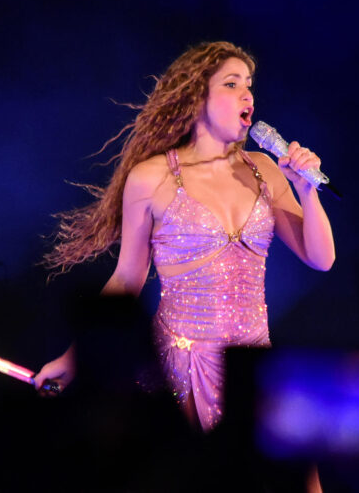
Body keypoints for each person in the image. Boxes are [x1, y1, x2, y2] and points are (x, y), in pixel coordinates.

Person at [34, 41, 335, 433]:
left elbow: (321, 258)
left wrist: (307, 191)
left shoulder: (263, 170)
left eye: (249, 84)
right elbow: (126, 280)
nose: (247, 94)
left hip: (252, 367)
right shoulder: (152, 177)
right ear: (197, 96)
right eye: (231, 83)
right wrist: (74, 359)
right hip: (181, 370)